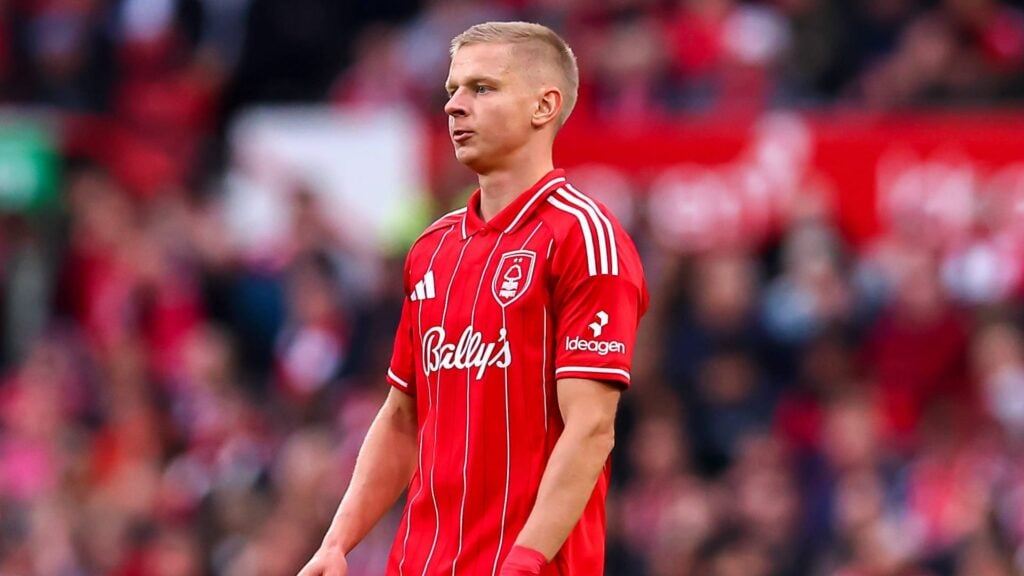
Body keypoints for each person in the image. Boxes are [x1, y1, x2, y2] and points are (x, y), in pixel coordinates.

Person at [298, 21, 648, 576]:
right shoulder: (431, 249)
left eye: (481, 89)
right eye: (451, 91)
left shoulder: (583, 238)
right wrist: (337, 542)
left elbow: (590, 429)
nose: (455, 107)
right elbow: (402, 416)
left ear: (544, 106)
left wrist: (525, 561)